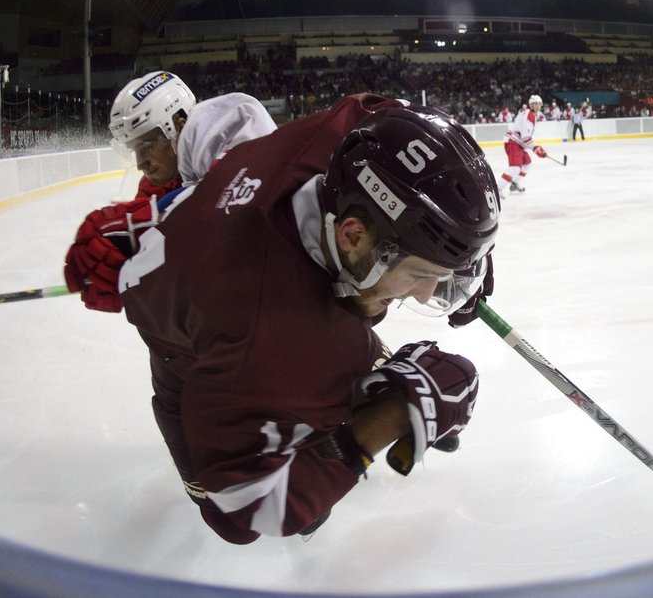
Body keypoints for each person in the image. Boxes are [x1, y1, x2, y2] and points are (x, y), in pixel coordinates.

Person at [69, 96, 497, 544]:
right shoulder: (267, 332)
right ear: (351, 235)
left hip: (229, 297)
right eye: (422, 276)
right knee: (270, 491)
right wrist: (392, 416)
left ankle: (362, 384)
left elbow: (393, 116)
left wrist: (463, 250)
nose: (428, 294)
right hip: (191, 357)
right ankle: (361, 392)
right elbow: (243, 510)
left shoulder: (333, 138)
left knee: (346, 339)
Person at [109, 70, 276, 201]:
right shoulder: (159, 183)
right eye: (133, 150)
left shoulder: (215, 129)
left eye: (147, 146)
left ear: (179, 126)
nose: (140, 164)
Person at [501, 94, 547, 193]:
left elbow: (524, 137)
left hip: (518, 143)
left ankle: (515, 184)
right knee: (514, 168)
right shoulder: (529, 115)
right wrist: (536, 148)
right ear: (531, 105)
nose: (538, 106)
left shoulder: (529, 114)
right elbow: (525, 137)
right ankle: (497, 189)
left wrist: (534, 148)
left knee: (527, 163)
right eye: (536, 104)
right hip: (513, 142)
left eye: (539, 104)